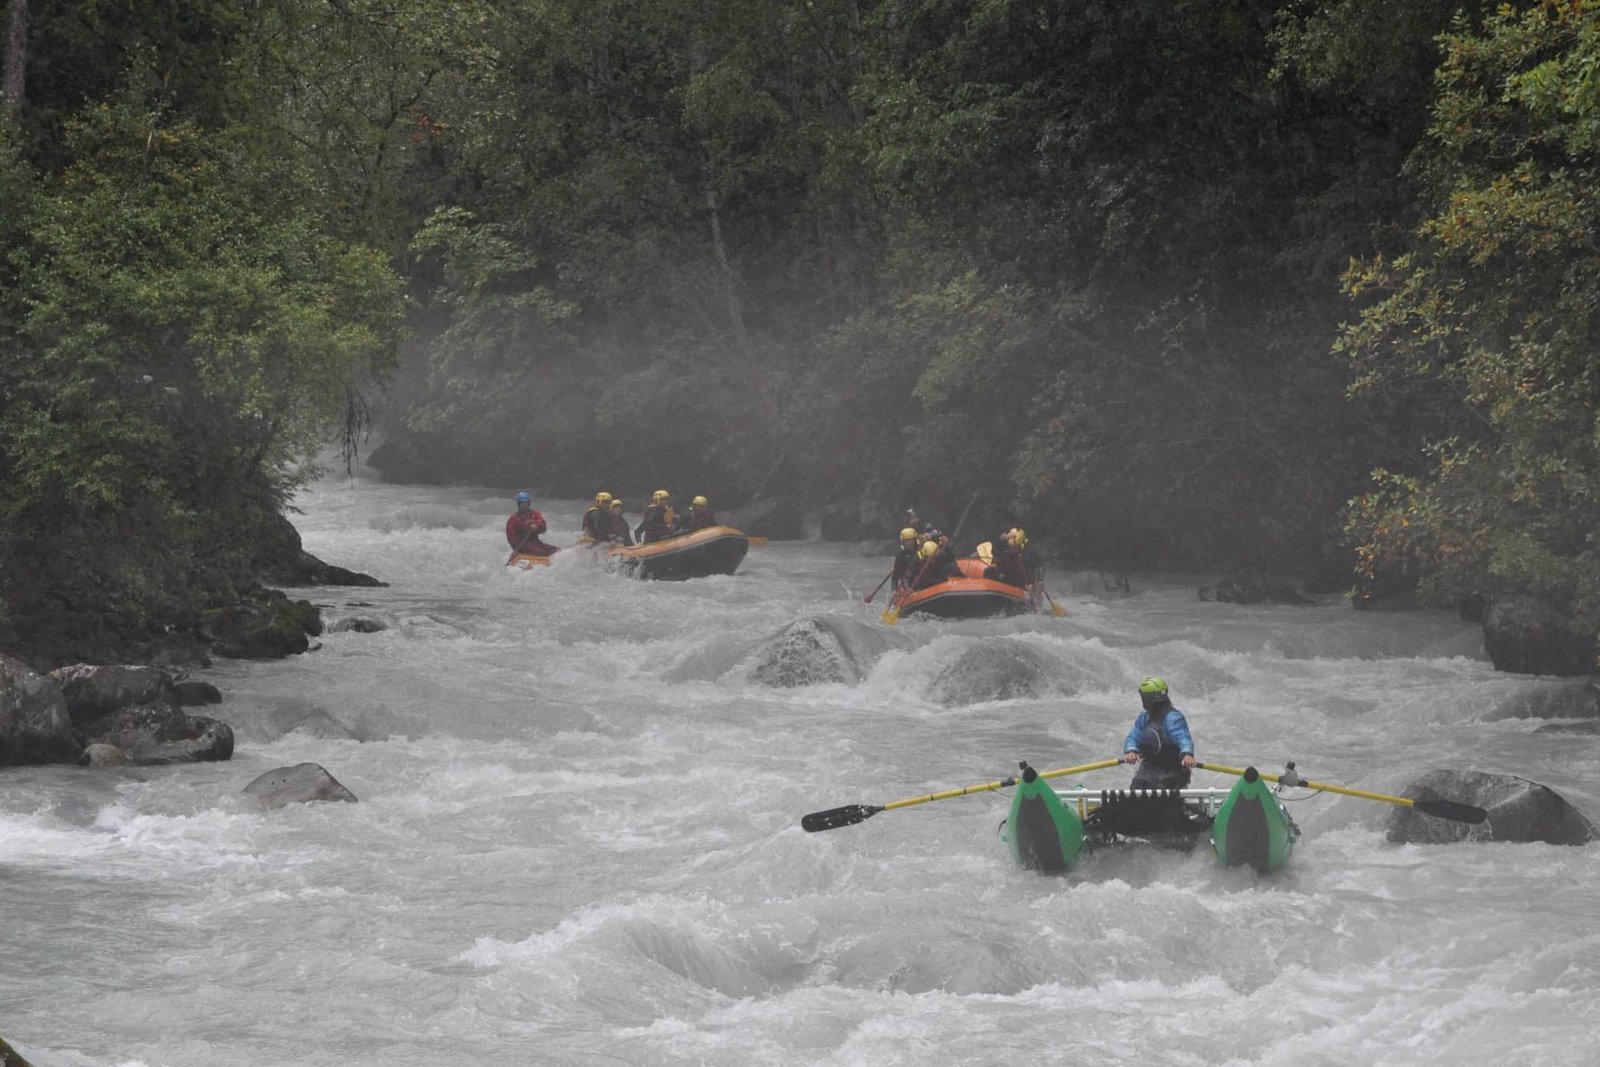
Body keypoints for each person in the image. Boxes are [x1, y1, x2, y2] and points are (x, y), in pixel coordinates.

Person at [1121, 677, 1196, 789]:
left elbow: (1183, 738)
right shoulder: (1144, 718)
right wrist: (1131, 750)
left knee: (1161, 789)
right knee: (1137, 786)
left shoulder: (1173, 718)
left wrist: (1187, 754)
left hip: (1172, 770)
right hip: (1149, 768)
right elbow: (1134, 736)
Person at [506, 491, 557, 557]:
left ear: (529, 503)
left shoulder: (535, 514)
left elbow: (543, 527)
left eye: (526, 503)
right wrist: (517, 549)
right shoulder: (513, 519)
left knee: (556, 550)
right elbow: (511, 538)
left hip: (536, 543)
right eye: (522, 503)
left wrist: (537, 526)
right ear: (518, 504)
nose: (525, 505)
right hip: (522, 546)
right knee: (540, 552)